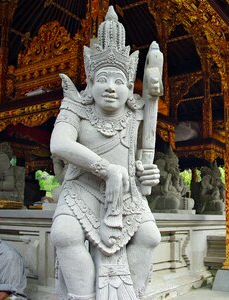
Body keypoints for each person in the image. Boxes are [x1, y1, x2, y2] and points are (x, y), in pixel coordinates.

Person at [50, 6, 162, 300]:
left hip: (126, 194)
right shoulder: (75, 106)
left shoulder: (137, 113)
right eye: (102, 79)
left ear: (128, 86)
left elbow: (140, 160)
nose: (110, 88)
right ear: (90, 81)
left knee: (150, 237)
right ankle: (81, 295)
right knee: (65, 233)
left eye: (118, 81)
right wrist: (105, 169)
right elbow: (59, 144)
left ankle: (131, 295)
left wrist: (147, 173)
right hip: (81, 188)